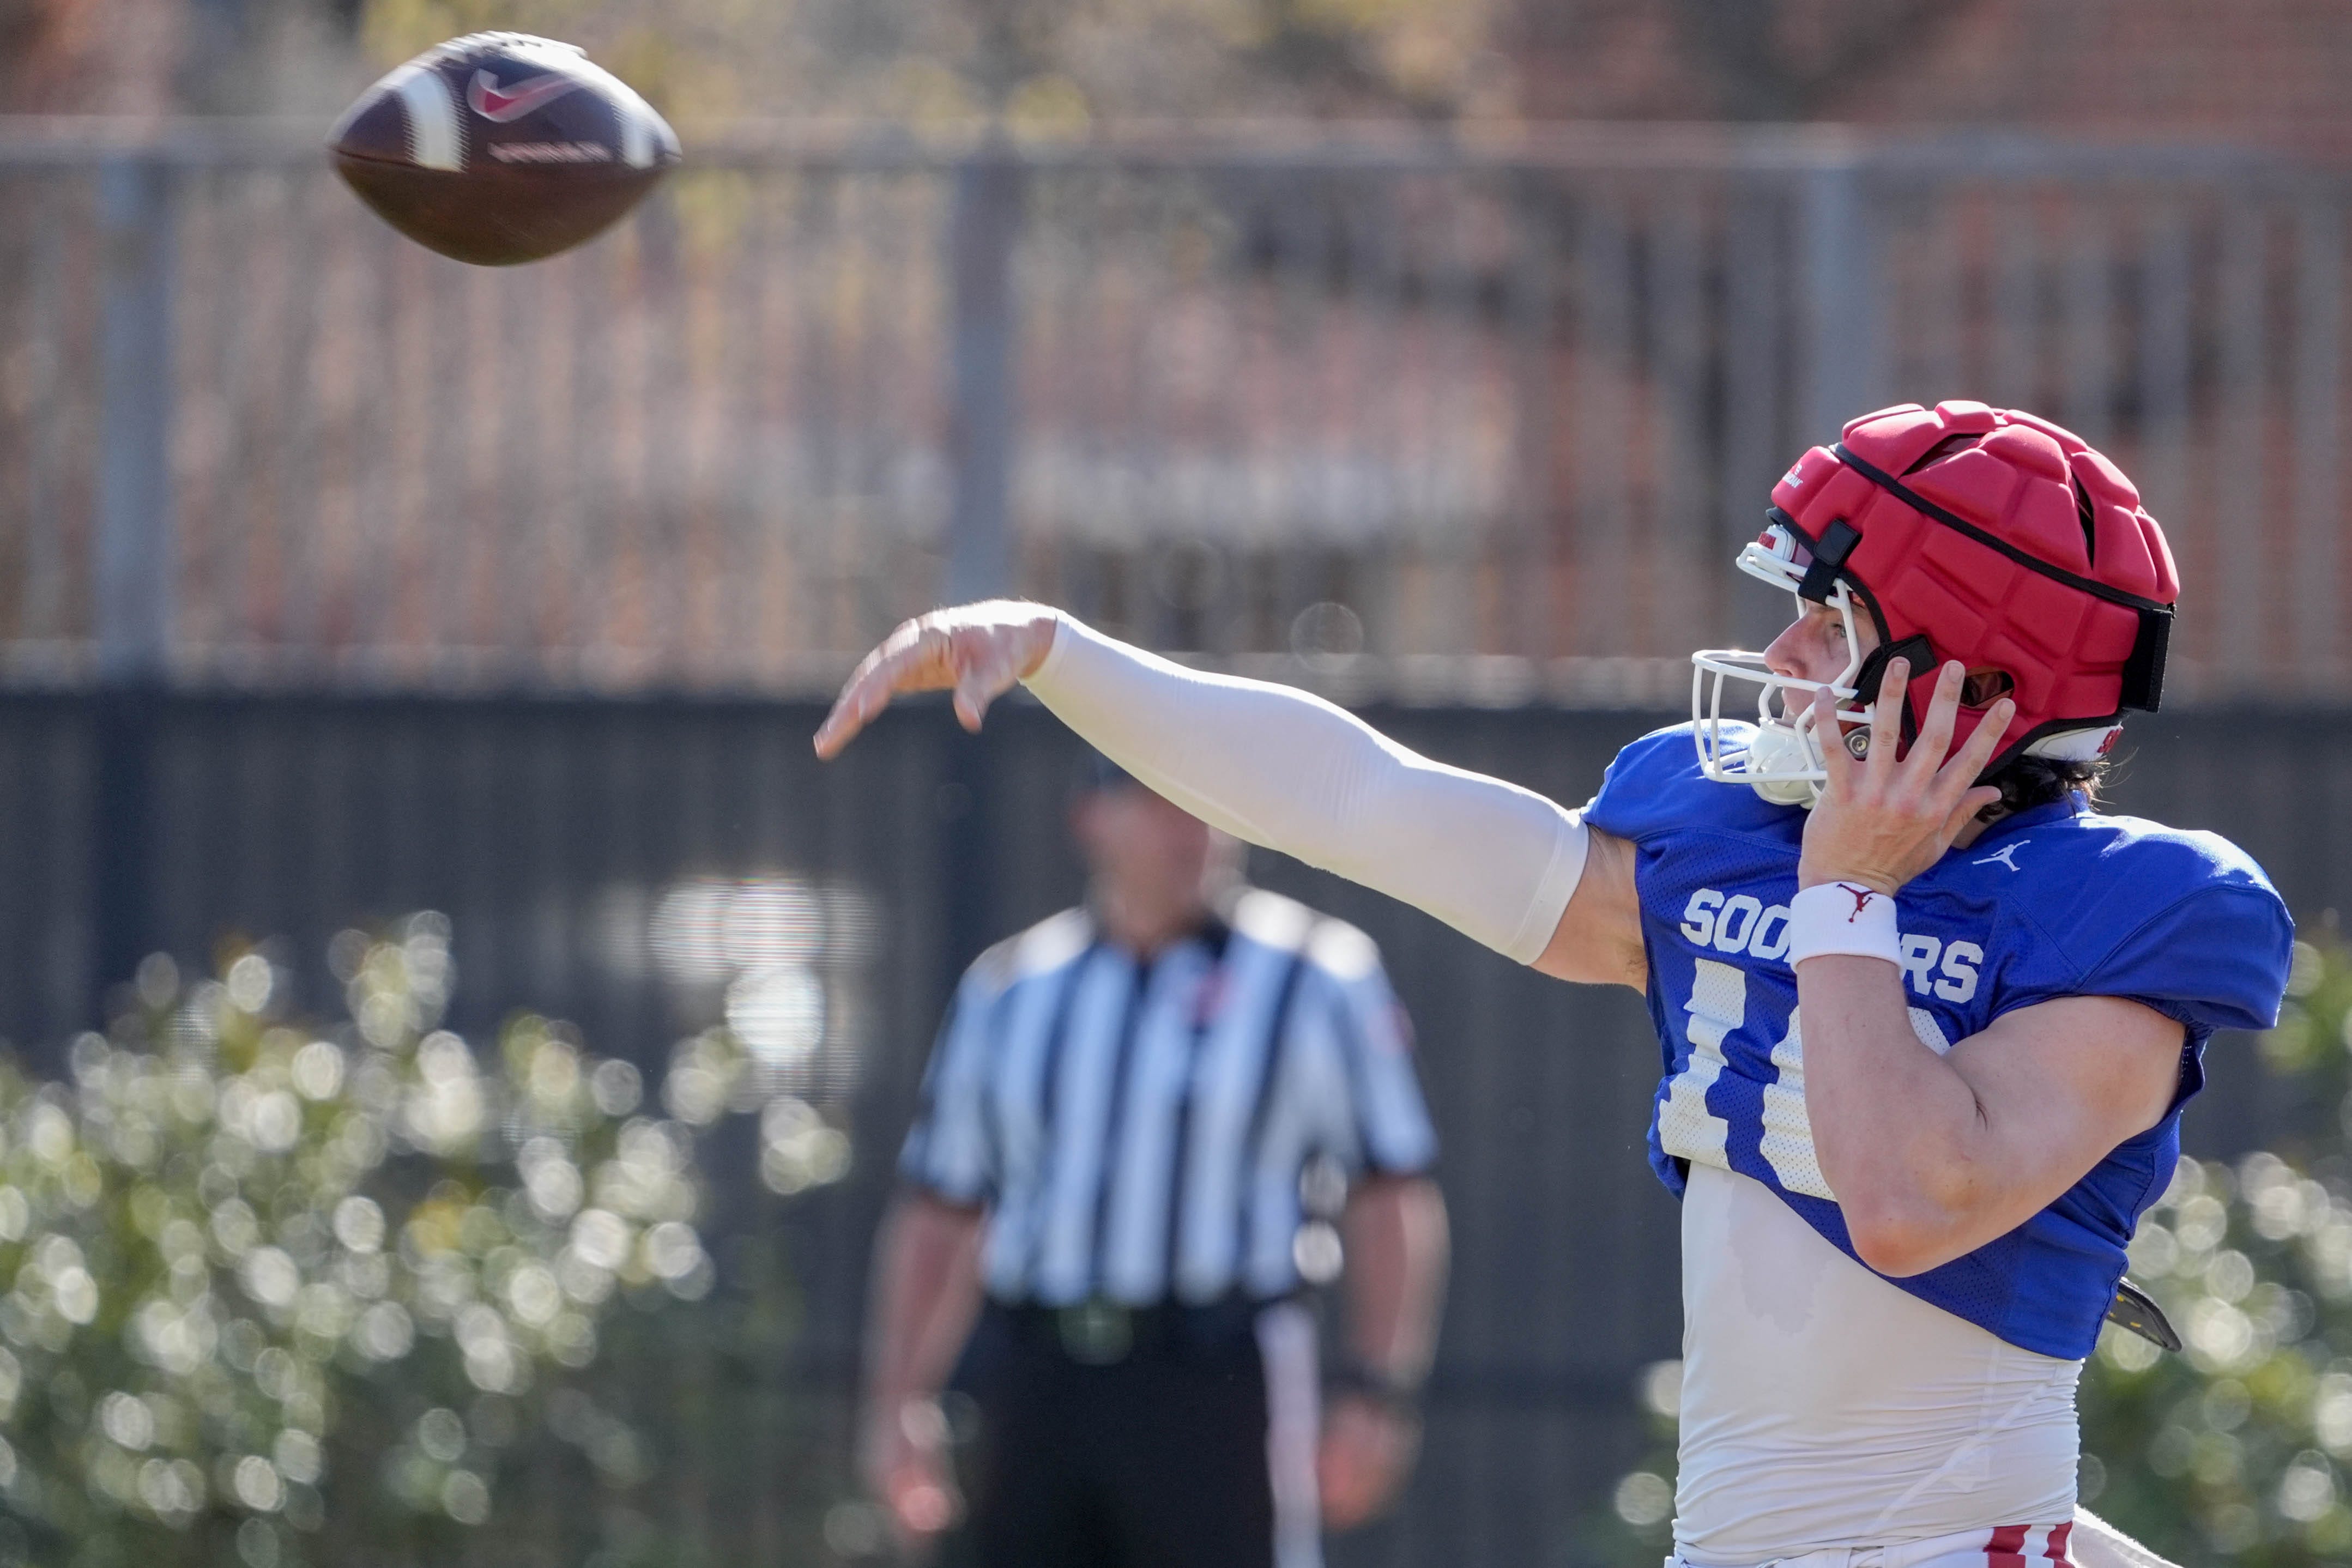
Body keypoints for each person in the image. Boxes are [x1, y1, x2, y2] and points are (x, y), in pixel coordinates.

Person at [818, 400, 2296, 1568]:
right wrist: (1070, 657)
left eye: (1828, 621)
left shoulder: (2131, 910)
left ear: (1967, 686)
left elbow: (1910, 1198)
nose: (1779, 653)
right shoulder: (1721, 842)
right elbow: (1365, 801)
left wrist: (1845, 892)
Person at [858, 754, 1450, 1568]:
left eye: (1216, 805)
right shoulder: (1010, 988)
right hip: (1041, 1376)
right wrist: (897, 1401)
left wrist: (1378, 1391)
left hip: (1220, 1381)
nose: (1198, 832)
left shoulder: (1315, 973)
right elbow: (941, 1208)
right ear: (1093, 816)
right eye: (1169, 805)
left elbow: (1390, 1195)